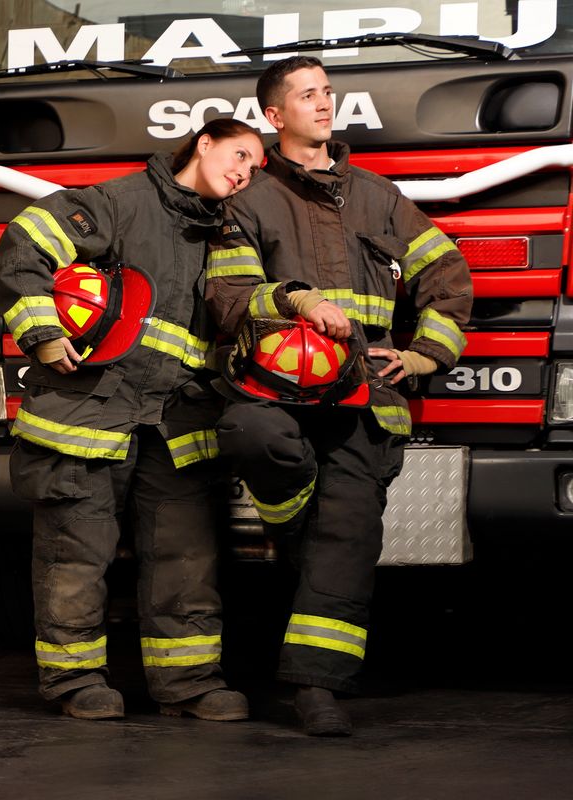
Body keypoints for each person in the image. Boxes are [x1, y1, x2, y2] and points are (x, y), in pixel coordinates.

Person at [205, 56, 474, 736]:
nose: (324, 104)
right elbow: (231, 296)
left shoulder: (379, 197)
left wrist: (422, 355)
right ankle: (295, 524)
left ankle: (314, 686)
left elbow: (447, 272)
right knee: (251, 438)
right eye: (307, 95)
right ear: (274, 116)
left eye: (327, 92)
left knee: (347, 535)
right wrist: (294, 299)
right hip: (275, 393)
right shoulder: (246, 200)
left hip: (366, 395)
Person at [0, 118, 264, 720]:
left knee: (186, 558)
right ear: (204, 143)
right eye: (240, 153)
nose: (245, 171)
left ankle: (189, 683)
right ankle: (74, 682)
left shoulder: (228, 232)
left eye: (255, 167)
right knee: (76, 555)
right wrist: (39, 332)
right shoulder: (119, 202)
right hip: (89, 414)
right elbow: (24, 243)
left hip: (178, 422)